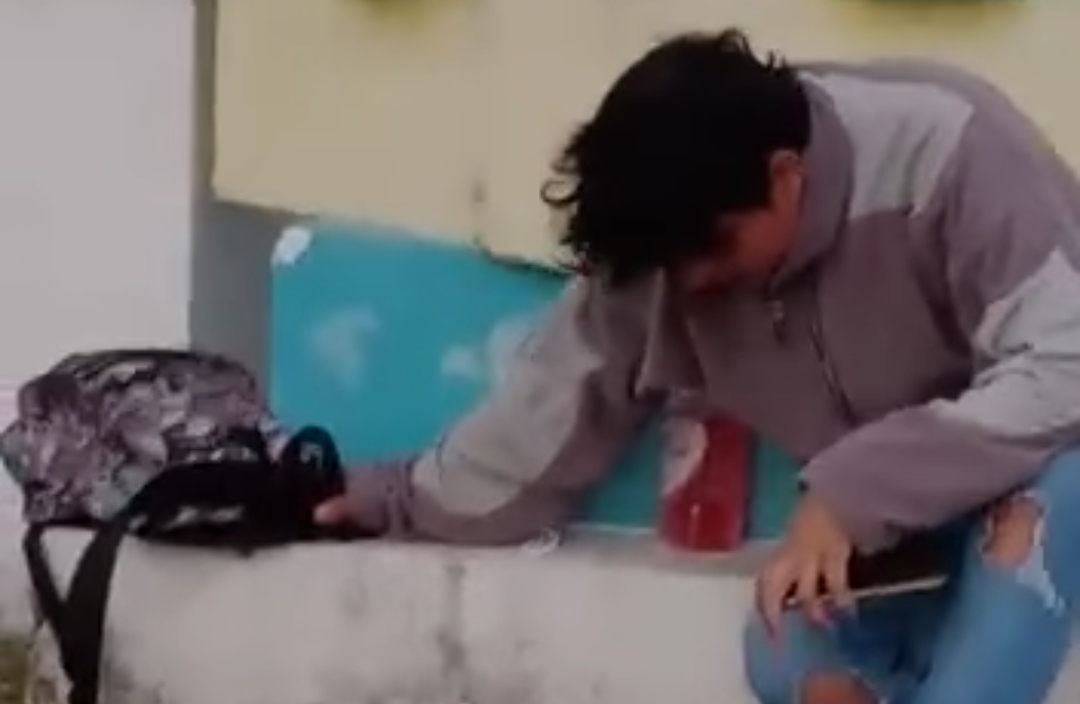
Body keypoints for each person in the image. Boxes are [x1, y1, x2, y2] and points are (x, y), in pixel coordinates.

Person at [314, 28, 1080, 704]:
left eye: (713, 251)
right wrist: (397, 499)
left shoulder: (952, 146)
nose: (693, 282)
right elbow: (547, 415)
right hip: (894, 529)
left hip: (1035, 473)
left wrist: (855, 489)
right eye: (673, 265)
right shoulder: (670, 241)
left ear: (786, 175)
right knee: (786, 658)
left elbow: (1064, 362)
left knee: (1021, 571)